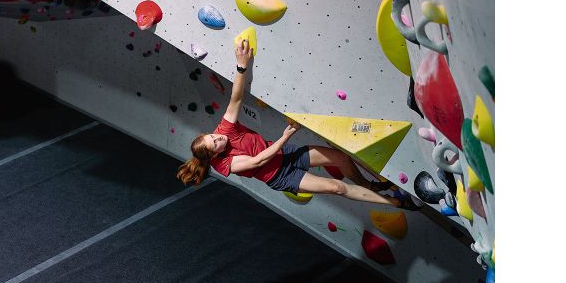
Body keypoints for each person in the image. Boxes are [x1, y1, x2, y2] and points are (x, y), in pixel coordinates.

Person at [176, 39, 418, 210]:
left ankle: (370, 185)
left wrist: (242, 66)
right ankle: (396, 203)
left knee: (342, 158)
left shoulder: (224, 131)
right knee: (337, 188)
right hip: (280, 174)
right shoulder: (224, 163)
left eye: (213, 135)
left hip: (285, 155)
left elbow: (236, 98)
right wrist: (287, 134)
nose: (219, 138)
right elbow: (259, 160)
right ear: (215, 154)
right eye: (216, 143)